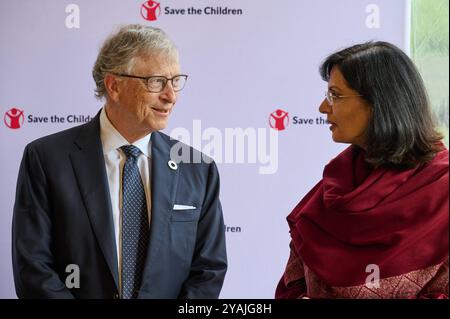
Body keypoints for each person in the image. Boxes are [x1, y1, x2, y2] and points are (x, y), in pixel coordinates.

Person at [12, 24, 227, 299]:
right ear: (114, 86)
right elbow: (33, 269)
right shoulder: (45, 159)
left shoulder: (197, 168)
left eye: (175, 81)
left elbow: (209, 270)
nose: (170, 96)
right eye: (156, 81)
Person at [275, 41, 448, 299]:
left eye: (335, 95)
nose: (323, 107)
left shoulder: (442, 188)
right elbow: (292, 288)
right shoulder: (335, 183)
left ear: (380, 102)